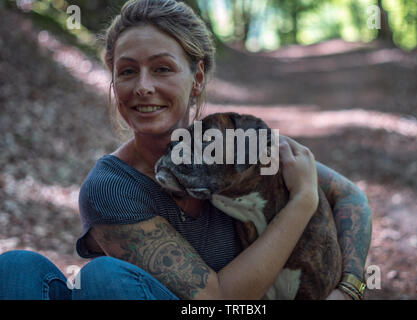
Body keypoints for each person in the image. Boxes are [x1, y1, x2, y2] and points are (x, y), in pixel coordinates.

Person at [0, 0, 371, 300]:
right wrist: (303, 202)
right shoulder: (110, 188)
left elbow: (350, 196)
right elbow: (218, 299)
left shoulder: (235, 147)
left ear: (196, 79)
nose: (143, 86)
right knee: (21, 270)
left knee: (104, 280)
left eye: (162, 69)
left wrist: (350, 288)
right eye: (127, 72)